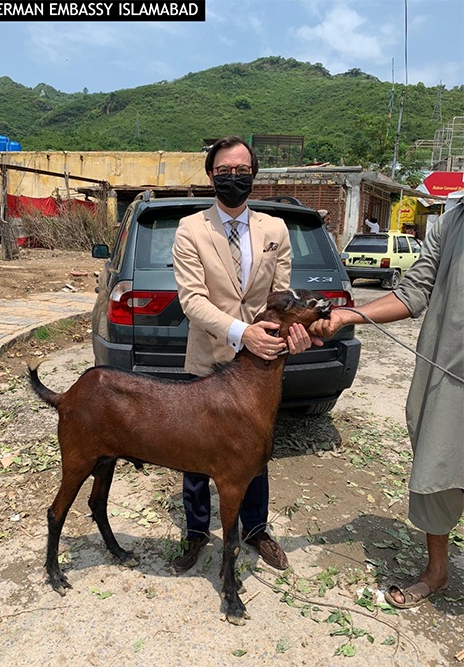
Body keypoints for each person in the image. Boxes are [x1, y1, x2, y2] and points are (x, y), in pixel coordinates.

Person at [172, 135, 322, 572]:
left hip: (260, 368)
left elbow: (283, 299)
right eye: (224, 172)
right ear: (210, 175)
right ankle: (197, 532)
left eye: (242, 171)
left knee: (255, 452)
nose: (233, 178)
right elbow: (192, 300)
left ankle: (256, 529)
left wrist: (295, 334)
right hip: (208, 358)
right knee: (195, 454)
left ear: (254, 174)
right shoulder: (190, 229)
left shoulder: (275, 229)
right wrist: (242, 332)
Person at [309, 197, 464, 609]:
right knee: (438, 463)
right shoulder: (451, 222)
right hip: (449, 373)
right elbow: (414, 292)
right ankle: (437, 571)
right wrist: (347, 316)